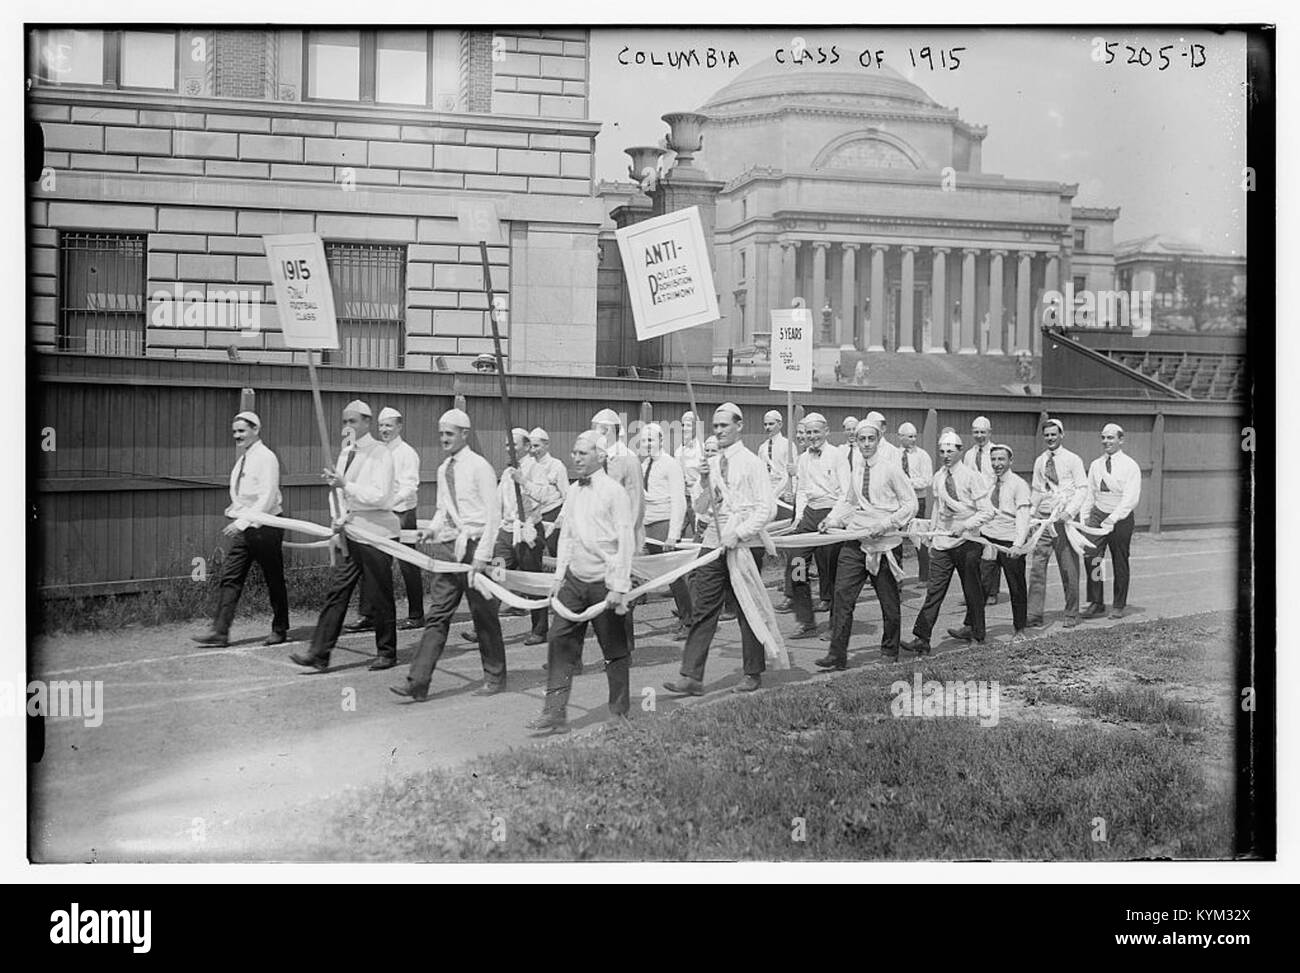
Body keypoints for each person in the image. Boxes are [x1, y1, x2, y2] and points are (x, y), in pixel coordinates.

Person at [390, 408, 506, 701]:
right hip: (450, 550)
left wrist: (481, 556)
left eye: (449, 434)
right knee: (437, 615)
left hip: (476, 550)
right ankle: (417, 682)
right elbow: (443, 509)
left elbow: (494, 516)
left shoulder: (481, 467)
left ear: (464, 435)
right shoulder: (443, 470)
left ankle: (495, 677)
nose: (443, 439)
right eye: (441, 433)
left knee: (484, 616)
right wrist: (434, 529)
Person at [526, 431, 635, 734]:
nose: (575, 458)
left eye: (582, 453)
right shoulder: (573, 491)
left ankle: (619, 712)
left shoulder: (615, 492)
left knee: (613, 648)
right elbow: (568, 537)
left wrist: (618, 586)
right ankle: (554, 713)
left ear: (600, 456)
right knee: (559, 640)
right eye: (574, 453)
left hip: (604, 581)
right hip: (574, 581)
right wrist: (559, 577)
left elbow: (625, 541)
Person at [664, 404, 775, 696]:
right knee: (703, 607)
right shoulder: (712, 463)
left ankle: (752, 673)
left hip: (743, 545)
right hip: (713, 542)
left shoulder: (752, 463)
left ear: (739, 426)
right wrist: (703, 481)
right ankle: (691, 676)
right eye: (715, 427)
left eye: (724, 426)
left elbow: (767, 509)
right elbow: (702, 508)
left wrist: (738, 533)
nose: (719, 431)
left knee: (746, 610)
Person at [290, 400, 399, 672]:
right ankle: (319, 653)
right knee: (337, 592)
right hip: (351, 531)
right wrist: (336, 520)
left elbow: (381, 496)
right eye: (344, 422)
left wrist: (345, 484)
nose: (347, 427)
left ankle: (387, 653)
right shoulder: (344, 453)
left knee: (379, 595)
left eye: (352, 421)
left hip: (377, 534)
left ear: (366, 423)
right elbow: (337, 494)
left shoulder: (380, 453)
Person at [817, 420, 916, 667]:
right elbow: (849, 501)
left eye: (871, 439)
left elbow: (910, 504)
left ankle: (889, 652)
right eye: (862, 439)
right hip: (856, 540)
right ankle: (837, 654)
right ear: (857, 441)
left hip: (885, 544)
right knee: (842, 596)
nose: (866, 444)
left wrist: (883, 525)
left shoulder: (891, 469)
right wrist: (832, 519)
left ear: (879, 439)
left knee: (888, 601)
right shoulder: (856, 468)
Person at [193, 410, 288, 647]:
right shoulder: (244, 459)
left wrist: (241, 522)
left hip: (266, 527)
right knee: (231, 576)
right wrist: (235, 510)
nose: (237, 435)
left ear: (256, 430)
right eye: (235, 431)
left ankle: (280, 628)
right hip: (246, 528)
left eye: (242, 430)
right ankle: (220, 631)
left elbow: (266, 497)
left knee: (273, 578)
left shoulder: (266, 457)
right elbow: (245, 495)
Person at [901, 431, 995, 655]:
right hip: (943, 541)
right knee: (934, 590)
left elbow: (987, 511)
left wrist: (964, 526)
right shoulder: (939, 477)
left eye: (950, 451)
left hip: (967, 540)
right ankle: (922, 638)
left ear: (960, 452)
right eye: (942, 451)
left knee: (971, 589)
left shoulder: (972, 477)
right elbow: (937, 508)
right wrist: (932, 537)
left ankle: (977, 634)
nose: (945, 455)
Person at [950, 444, 1031, 643]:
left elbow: (1023, 517)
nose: (997, 464)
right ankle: (972, 627)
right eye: (993, 460)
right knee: (977, 585)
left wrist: (1018, 544)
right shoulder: (986, 482)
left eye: (1001, 459)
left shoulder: (1019, 484)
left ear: (1010, 461)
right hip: (987, 539)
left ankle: (1020, 629)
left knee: (1016, 586)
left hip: (1010, 542)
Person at [786, 412, 851, 637]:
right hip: (810, 514)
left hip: (832, 513)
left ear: (826, 432)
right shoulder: (804, 458)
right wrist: (799, 518)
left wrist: (833, 518)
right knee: (796, 564)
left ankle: (836, 624)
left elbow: (846, 493)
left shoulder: (837, 456)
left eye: (816, 432)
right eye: (809, 432)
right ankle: (806, 621)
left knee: (831, 571)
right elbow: (802, 490)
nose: (812, 436)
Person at [492, 427, 550, 646]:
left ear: (526, 446)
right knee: (496, 575)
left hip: (528, 532)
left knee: (532, 582)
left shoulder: (535, 468)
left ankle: (539, 629)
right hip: (506, 533)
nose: (509, 449)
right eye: (507, 445)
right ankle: (486, 629)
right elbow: (498, 502)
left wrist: (524, 482)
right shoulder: (507, 472)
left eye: (513, 445)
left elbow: (545, 495)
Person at [1027, 417, 1087, 629]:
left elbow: (1082, 488)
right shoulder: (1040, 461)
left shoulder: (1073, 459)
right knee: (1037, 568)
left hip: (1064, 521)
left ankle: (1071, 614)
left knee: (1068, 568)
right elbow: (1036, 490)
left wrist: (1069, 513)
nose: (1050, 438)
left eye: (1054, 434)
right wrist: (1031, 515)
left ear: (1061, 435)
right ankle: (1033, 615)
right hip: (1044, 521)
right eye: (1047, 435)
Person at [1081, 422, 1142, 620]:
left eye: (1111, 437)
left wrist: (1113, 518)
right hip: (1098, 514)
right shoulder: (1096, 464)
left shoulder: (1130, 465)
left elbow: (1130, 499)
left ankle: (1118, 604)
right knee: (1093, 558)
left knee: (1119, 561)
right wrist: (1086, 517)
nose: (1106, 441)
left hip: (1120, 518)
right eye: (1103, 437)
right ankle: (1097, 602)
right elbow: (1090, 493)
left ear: (1120, 440)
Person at [640, 422, 691, 640]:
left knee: (675, 575)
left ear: (661, 440)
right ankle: (685, 611)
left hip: (664, 523)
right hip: (647, 525)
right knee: (658, 573)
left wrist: (673, 533)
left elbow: (679, 500)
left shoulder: (670, 464)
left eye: (651, 440)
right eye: (643, 440)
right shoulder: (643, 465)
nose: (647, 444)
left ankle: (690, 620)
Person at [379, 407, 424, 630]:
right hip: (382, 514)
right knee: (376, 563)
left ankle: (416, 615)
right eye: (381, 425)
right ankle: (370, 615)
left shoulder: (407, 453)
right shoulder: (378, 451)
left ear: (399, 427)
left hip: (403, 514)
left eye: (388, 425)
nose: (384, 430)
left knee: (408, 564)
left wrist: (391, 503)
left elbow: (409, 486)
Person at [964, 415, 1000, 605]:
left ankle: (991, 591)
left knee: (992, 548)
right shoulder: (969, 454)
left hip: (992, 506)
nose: (979, 435)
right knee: (975, 550)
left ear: (989, 432)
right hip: (975, 508)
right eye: (976, 432)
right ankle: (975, 592)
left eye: (983, 432)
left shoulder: (996, 452)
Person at [897, 421, 934, 585]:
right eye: (909, 436)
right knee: (895, 537)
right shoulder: (894, 455)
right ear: (901, 437)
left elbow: (927, 480)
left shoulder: (922, 455)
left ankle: (925, 576)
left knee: (919, 537)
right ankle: (895, 575)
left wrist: (906, 482)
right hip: (898, 502)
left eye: (914, 436)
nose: (913, 440)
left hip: (918, 500)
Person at [525, 426, 568, 559]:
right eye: (531, 446)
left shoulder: (556, 465)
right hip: (533, 516)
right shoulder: (527, 465)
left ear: (547, 445)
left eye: (537, 446)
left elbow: (567, 494)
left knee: (552, 550)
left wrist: (561, 517)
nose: (533, 450)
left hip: (552, 513)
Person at [758, 409, 794, 520]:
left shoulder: (788, 445)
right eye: (765, 424)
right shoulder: (762, 448)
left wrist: (779, 493)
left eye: (771, 424)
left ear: (780, 424)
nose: (767, 427)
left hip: (782, 492)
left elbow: (790, 473)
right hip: (767, 490)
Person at [675, 410, 703, 541]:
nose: (685, 429)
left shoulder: (702, 450)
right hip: (682, 496)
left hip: (697, 497)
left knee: (698, 532)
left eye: (689, 425)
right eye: (683, 425)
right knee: (675, 532)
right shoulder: (679, 450)